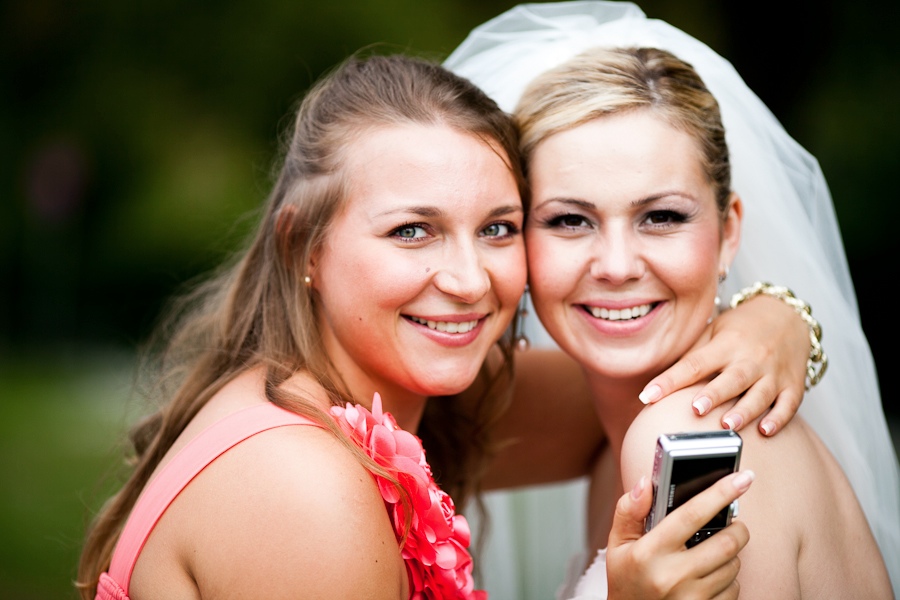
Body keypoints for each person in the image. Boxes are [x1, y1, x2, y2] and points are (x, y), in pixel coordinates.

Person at [76, 50, 812, 600]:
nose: (468, 280)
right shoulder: (302, 487)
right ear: (303, 246)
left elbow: (627, 386)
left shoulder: (391, 392)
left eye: (497, 229)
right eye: (412, 232)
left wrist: (776, 319)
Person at [446, 3, 900, 597]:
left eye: (661, 217)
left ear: (728, 231)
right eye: (570, 220)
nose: (615, 266)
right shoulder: (614, 425)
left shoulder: (690, 442)